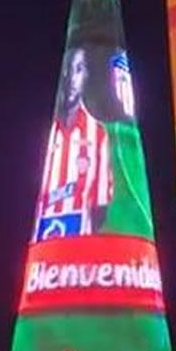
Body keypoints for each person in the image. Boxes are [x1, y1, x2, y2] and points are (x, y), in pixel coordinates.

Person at [33, 46, 114, 241]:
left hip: (76, 252)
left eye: (78, 69)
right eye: (67, 70)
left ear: (85, 75)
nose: (70, 79)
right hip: (42, 252)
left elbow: (100, 207)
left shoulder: (98, 134)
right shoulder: (47, 133)